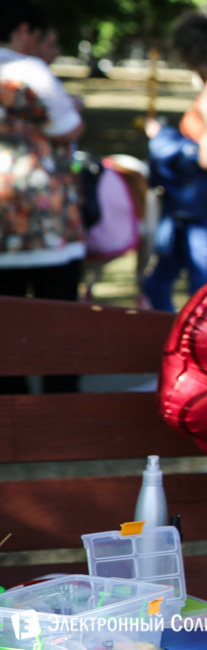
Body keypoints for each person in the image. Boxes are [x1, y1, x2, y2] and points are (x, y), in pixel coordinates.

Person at [0, 2, 85, 394]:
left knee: (5, 324)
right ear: (24, 31)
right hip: (43, 219)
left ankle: (12, 406)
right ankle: (58, 404)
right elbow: (67, 126)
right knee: (59, 320)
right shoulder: (29, 70)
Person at [142, 12, 207, 312]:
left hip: (204, 202)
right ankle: (171, 332)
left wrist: (163, 138)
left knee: (201, 287)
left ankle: (198, 338)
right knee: (159, 281)